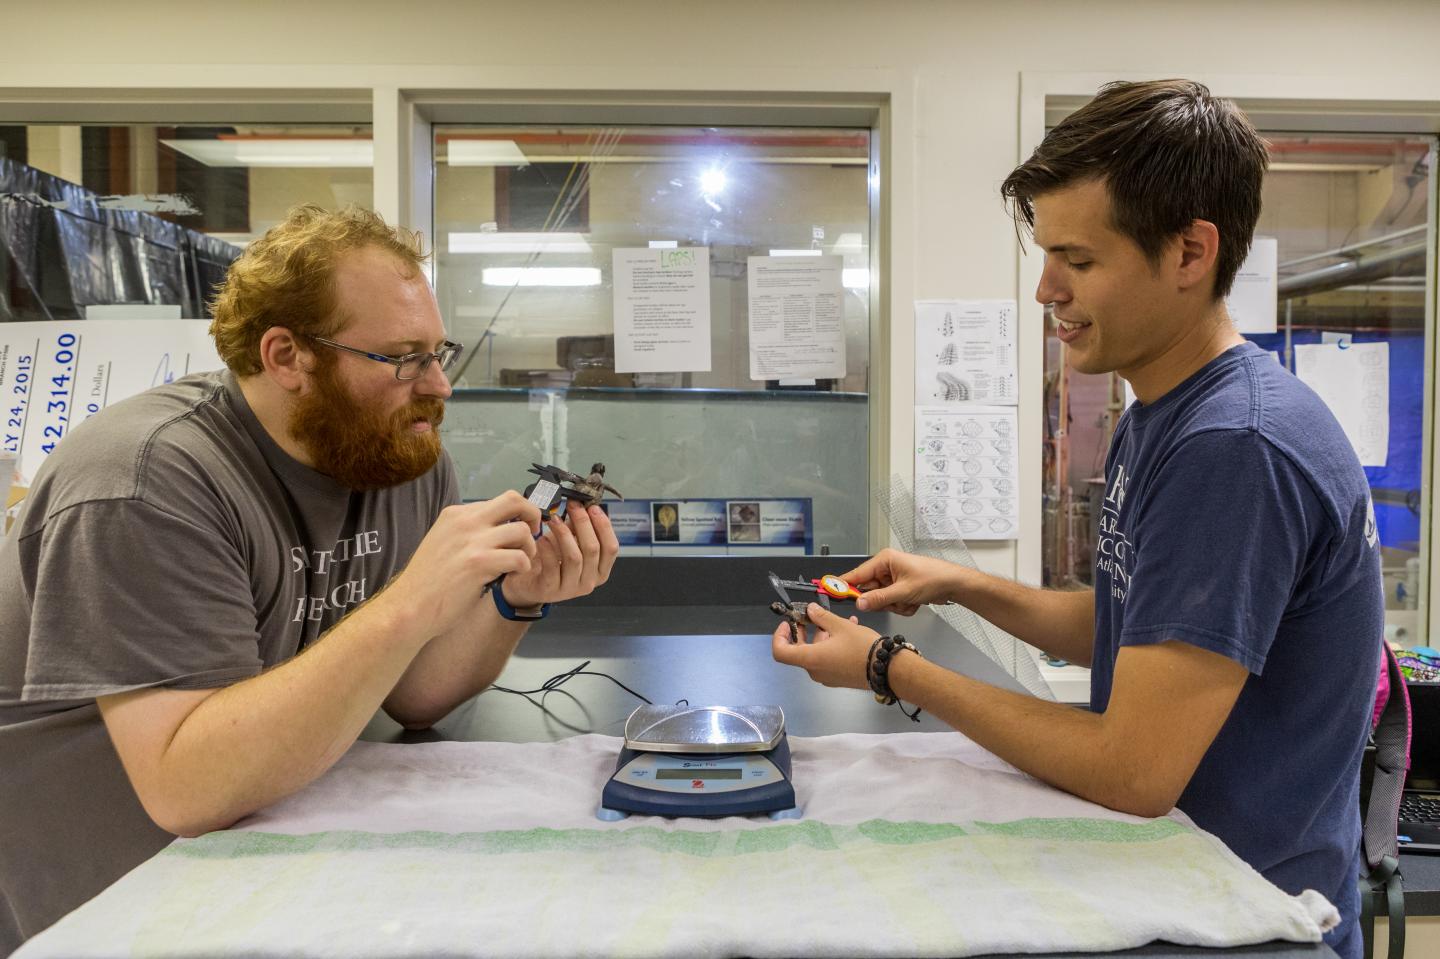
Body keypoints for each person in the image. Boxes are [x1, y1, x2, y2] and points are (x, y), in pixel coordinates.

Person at [772, 80, 1382, 959]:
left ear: (1190, 252)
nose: (1045, 289)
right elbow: (1137, 623)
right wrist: (958, 584)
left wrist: (887, 666)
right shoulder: (1161, 414)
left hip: (1241, 921)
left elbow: (1133, 769)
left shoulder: (1235, 446)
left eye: (1079, 260)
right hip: (1177, 885)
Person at [0, 205, 620, 952]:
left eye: (438, 353)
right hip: (102, 900)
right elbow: (186, 786)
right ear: (287, 356)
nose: (439, 387)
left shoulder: (392, 454)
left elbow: (414, 693)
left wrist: (514, 598)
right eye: (402, 359)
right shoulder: (145, 482)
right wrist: (412, 602)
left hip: (255, 851)